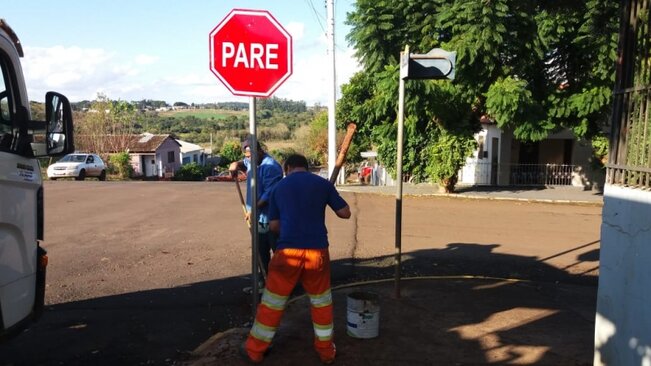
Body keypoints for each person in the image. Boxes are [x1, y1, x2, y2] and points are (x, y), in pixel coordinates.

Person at [242, 154, 351, 364]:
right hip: (317, 252)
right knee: (321, 302)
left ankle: (255, 351)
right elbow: (345, 213)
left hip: (288, 253)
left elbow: (274, 226)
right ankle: (326, 351)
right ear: (306, 167)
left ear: (288, 167)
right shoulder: (322, 184)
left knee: (272, 303)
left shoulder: (278, 188)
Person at [229, 137, 283, 275]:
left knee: (279, 252)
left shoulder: (271, 167)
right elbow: (244, 163)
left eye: (251, 155)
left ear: (259, 150)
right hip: (256, 217)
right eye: (247, 156)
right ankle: (264, 280)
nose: (249, 159)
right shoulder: (251, 161)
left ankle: (285, 284)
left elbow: (269, 193)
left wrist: (253, 209)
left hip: (271, 217)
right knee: (260, 251)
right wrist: (236, 164)